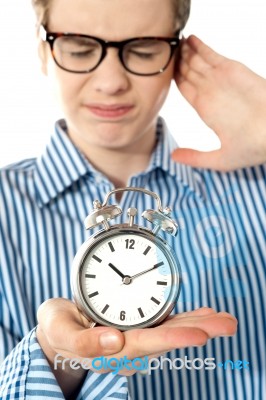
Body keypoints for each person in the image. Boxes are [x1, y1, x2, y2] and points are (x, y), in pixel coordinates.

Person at [0, 0, 265, 399]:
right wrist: (56, 361)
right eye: (78, 49)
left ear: (177, 55)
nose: (110, 82)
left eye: (142, 50)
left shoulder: (257, 187)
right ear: (44, 51)